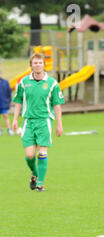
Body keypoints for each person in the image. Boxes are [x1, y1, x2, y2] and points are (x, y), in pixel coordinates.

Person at [12, 53, 65, 192]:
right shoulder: (23, 82)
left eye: (40, 63)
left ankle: (40, 184)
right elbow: (18, 102)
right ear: (31, 65)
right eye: (35, 63)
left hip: (44, 121)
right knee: (29, 155)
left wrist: (59, 124)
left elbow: (57, 105)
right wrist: (15, 119)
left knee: (42, 153)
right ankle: (34, 174)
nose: (37, 65)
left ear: (44, 65)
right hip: (28, 121)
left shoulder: (52, 83)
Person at [0, 71, 13, 136]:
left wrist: (8, 101)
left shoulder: (5, 82)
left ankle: (9, 129)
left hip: (3, 103)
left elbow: (9, 92)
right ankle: (0, 130)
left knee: (6, 116)